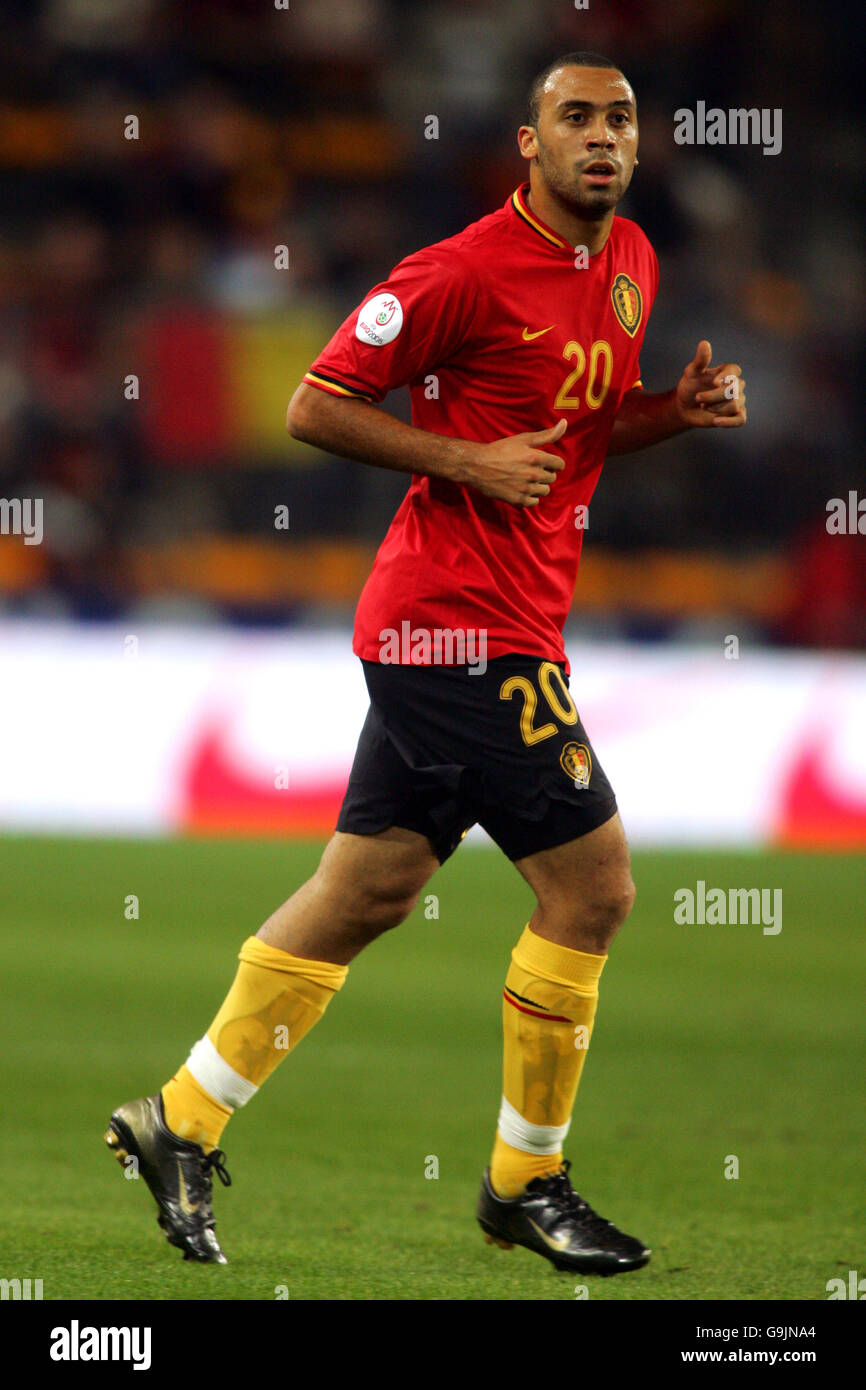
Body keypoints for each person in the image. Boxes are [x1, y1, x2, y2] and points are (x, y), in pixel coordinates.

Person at [106, 51, 746, 1276]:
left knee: (368, 891)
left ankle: (176, 1118)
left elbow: (570, 432)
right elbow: (313, 402)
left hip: (506, 619)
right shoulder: (454, 272)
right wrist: (459, 460)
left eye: (619, 119)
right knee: (593, 888)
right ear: (527, 142)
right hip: (452, 629)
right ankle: (526, 1180)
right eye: (575, 118)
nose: (602, 138)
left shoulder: (630, 265)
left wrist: (670, 406)